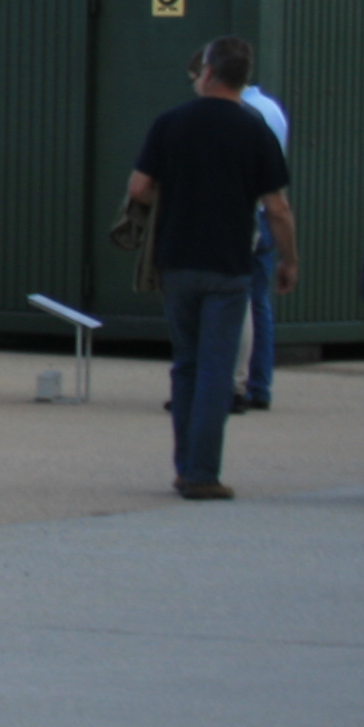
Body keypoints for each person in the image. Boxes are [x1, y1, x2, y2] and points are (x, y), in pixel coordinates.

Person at [125, 35, 298, 501]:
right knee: (217, 370)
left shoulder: (171, 123)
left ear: (206, 73)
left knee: (187, 364)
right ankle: (203, 472)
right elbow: (277, 208)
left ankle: (185, 467)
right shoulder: (255, 129)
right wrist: (288, 260)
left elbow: (139, 187)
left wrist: (178, 196)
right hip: (229, 264)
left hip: (176, 259)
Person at [234, 73, 292, 413]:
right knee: (259, 303)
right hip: (265, 212)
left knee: (237, 305)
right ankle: (260, 385)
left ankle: (235, 382)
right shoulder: (272, 109)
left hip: (246, 214)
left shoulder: (244, 113)